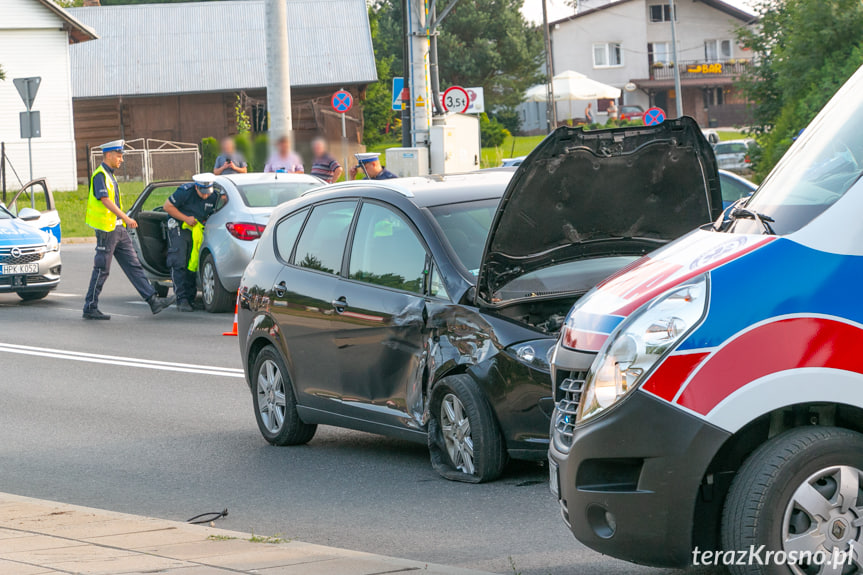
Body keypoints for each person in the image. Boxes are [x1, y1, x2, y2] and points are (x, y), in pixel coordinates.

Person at [83, 140, 175, 320]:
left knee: (134, 265)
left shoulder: (110, 175)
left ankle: (153, 301)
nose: (121, 160)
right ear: (108, 155)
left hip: (117, 229)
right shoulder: (100, 175)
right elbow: (105, 201)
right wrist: (126, 217)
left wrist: (122, 220)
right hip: (106, 230)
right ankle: (90, 307)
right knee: (102, 269)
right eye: (118, 156)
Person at [162, 173, 222, 312]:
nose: (206, 195)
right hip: (179, 225)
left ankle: (191, 297)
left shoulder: (214, 196)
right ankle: (181, 298)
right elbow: (167, 206)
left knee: (192, 263)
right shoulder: (185, 192)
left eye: (208, 192)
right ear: (196, 187)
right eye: (203, 192)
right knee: (179, 260)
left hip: (197, 230)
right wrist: (185, 218)